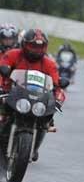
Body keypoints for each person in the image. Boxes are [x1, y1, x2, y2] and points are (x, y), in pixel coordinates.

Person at [0, 29, 67, 161]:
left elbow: (57, 85)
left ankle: (34, 147)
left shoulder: (49, 63)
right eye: (33, 46)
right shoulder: (12, 54)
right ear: (24, 44)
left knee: (47, 117)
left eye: (40, 46)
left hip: (37, 99)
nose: (36, 49)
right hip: (10, 94)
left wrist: (57, 101)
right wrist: (1, 88)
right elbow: (2, 69)